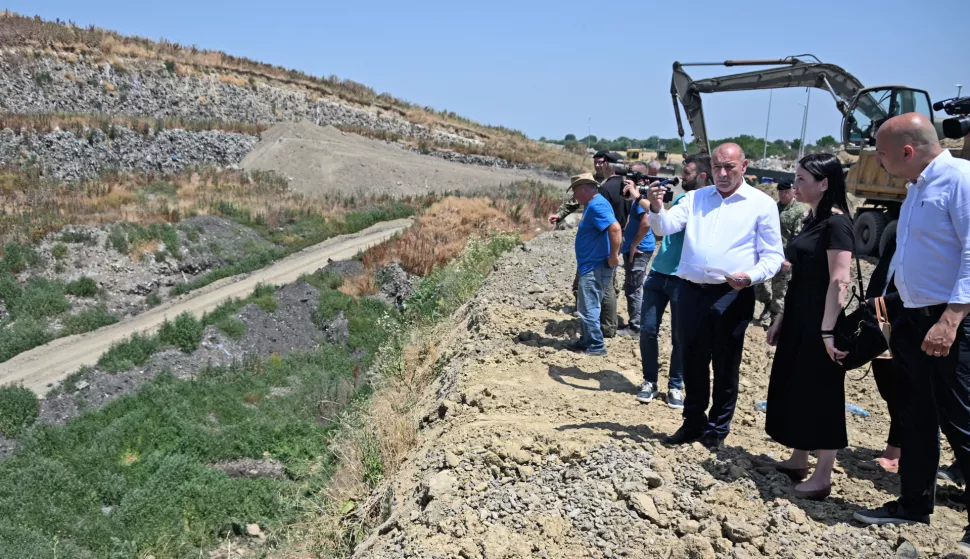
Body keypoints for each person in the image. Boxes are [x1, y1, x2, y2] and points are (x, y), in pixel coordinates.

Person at [853, 114, 970, 554]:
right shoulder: (918, 186)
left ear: (906, 151)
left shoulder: (960, 180)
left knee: (961, 418)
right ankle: (914, 502)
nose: (877, 161)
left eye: (881, 153)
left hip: (949, 321)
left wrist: (951, 318)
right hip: (914, 317)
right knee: (917, 414)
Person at [639, 143, 784, 448]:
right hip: (690, 291)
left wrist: (750, 277)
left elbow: (772, 256)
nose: (722, 173)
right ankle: (692, 423)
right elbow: (665, 227)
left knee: (725, 363)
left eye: (729, 167)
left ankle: (717, 429)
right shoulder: (695, 198)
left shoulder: (761, 204)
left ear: (744, 167)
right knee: (692, 359)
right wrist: (656, 207)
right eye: (717, 167)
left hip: (732, 293)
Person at [761, 153, 854, 501]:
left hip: (822, 322)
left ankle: (823, 476)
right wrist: (783, 317)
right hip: (800, 318)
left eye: (802, 179)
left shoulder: (837, 224)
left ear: (824, 183)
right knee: (796, 387)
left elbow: (840, 280)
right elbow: (800, 276)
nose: (795, 185)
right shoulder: (811, 219)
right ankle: (799, 458)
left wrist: (828, 330)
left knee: (822, 394)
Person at [635, 153, 711, 407]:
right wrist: (653, 204)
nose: (681, 176)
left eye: (687, 172)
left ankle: (675, 386)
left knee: (680, 336)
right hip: (659, 274)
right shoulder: (684, 200)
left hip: (683, 279)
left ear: (701, 175)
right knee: (647, 330)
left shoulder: (708, 206)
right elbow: (663, 225)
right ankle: (649, 381)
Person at [552, 151, 628, 338]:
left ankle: (598, 329)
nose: (599, 165)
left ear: (610, 165)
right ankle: (602, 325)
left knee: (601, 285)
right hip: (610, 238)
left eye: (602, 162)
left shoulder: (602, 192)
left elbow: (614, 226)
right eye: (596, 162)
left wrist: (613, 255)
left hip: (604, 241)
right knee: (605, 285)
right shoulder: (625, 185)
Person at [565, 172, 621, 356]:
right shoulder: (594, 204)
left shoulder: (597, 205)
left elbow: (615, 228)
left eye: (575, 191)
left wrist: (613, 256)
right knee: (585, 306)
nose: (574, 196)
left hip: (595, 266)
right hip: (590, 265)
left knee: (589, 307)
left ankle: (596, 346)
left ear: (583, 188)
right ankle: (586, 340)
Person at [865, 235, 904, 474]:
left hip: (904, 320)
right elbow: (881, 273)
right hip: (881, 318)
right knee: (887, 384)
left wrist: (880, 303)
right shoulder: (897, 236)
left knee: (902, 387)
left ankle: (895, 452)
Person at [617, 160, 659, 337]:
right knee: (632, 285)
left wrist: (633, 245)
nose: (627, 181)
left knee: (634, 287)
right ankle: (636, 323)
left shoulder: (642, 200)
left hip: (639, 249)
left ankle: (636, 326)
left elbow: (645, 223)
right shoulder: (636, 198)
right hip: (637, 247)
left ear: (641, 179)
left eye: (631, 177)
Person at [754, 181, 806, 325]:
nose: (783, 195)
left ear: (793, 191)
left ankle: (775, 322)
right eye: (780, 192)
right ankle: (766, 303)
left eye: (786, 192)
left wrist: (789, 259)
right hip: (767, 255)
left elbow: (798, 237)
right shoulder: (773, 208)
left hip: (784, 258)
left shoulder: (799, 211)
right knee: (756, 284)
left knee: (779, 292)